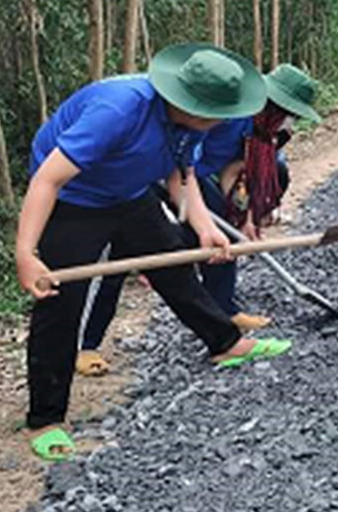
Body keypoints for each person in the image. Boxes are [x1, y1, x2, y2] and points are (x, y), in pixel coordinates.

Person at [15, 44, 293, 462]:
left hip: (129, 194)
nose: (226, 120)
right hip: (76, 199)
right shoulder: (119, 110)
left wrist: (204, 228)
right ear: (189, 101)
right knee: (62, 298)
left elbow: (182, 177)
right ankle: (45, 418)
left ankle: (225, 343)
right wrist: (25, 253)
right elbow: (47, 181)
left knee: (175, 262)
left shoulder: (195, 126)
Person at [73, 64, 322, 375]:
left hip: (192, 182)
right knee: (121, 254)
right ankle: (87, 344)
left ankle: (223, 313)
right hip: (158, 177)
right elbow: (181, 153)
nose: (290, 122)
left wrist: (244, 219)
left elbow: (236, 171)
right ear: (272, 103)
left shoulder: (264, 130)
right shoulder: (228, 114)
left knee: (224, 238)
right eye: (288, 113)